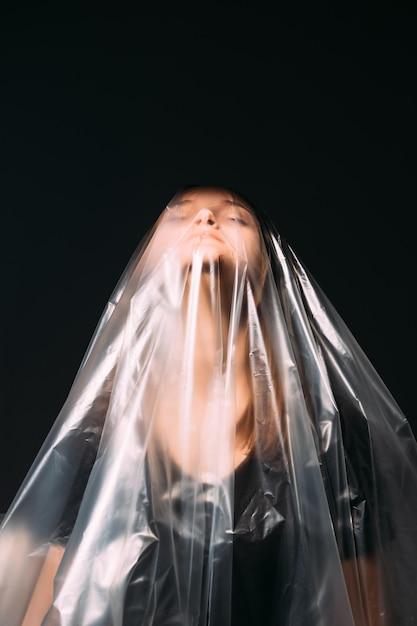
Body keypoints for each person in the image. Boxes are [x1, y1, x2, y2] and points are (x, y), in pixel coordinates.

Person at [1, 185, 417, 625]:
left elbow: (364, 609)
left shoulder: (327, 432)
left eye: (235, 218)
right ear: (146, 265)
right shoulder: (100, 434)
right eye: (180, 216)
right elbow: (57, 602)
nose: (205, 221)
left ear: (266, 271)